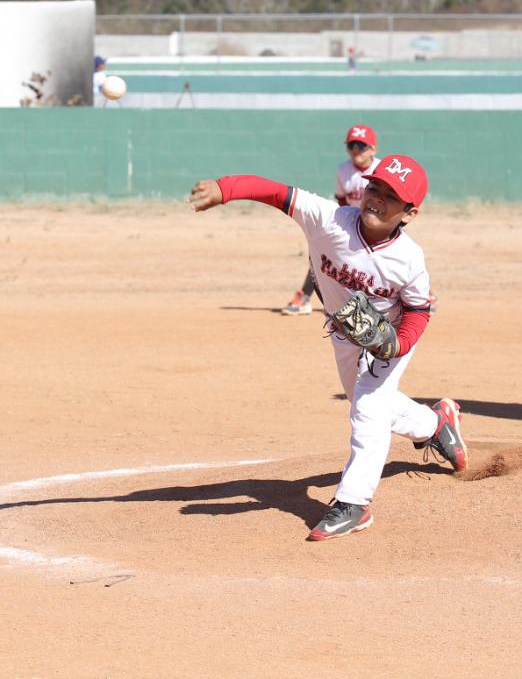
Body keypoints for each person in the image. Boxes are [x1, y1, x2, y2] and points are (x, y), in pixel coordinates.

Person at [189, 154, 465, 541]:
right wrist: (226, 188)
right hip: (344, 333)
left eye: (391, 196)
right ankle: (436, 424)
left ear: (410, 213)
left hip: (390, 337)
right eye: (374, 188)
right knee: (366, 402)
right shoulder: (329, 219)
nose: (377, 199)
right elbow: (274, 192)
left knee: (368, 409)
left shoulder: (409, 259)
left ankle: (354, 503)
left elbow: (419, 310)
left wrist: (397, 345)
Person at [283, 124, 381, 315]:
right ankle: (304, 296)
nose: (355, 150)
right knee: (325, 251)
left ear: (373, 149)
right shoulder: (343, 170)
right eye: (351, 145)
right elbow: (342, 201)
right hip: (354, 222)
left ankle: (421, 295)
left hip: (380, 224)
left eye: (361, 146)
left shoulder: (381, 169)